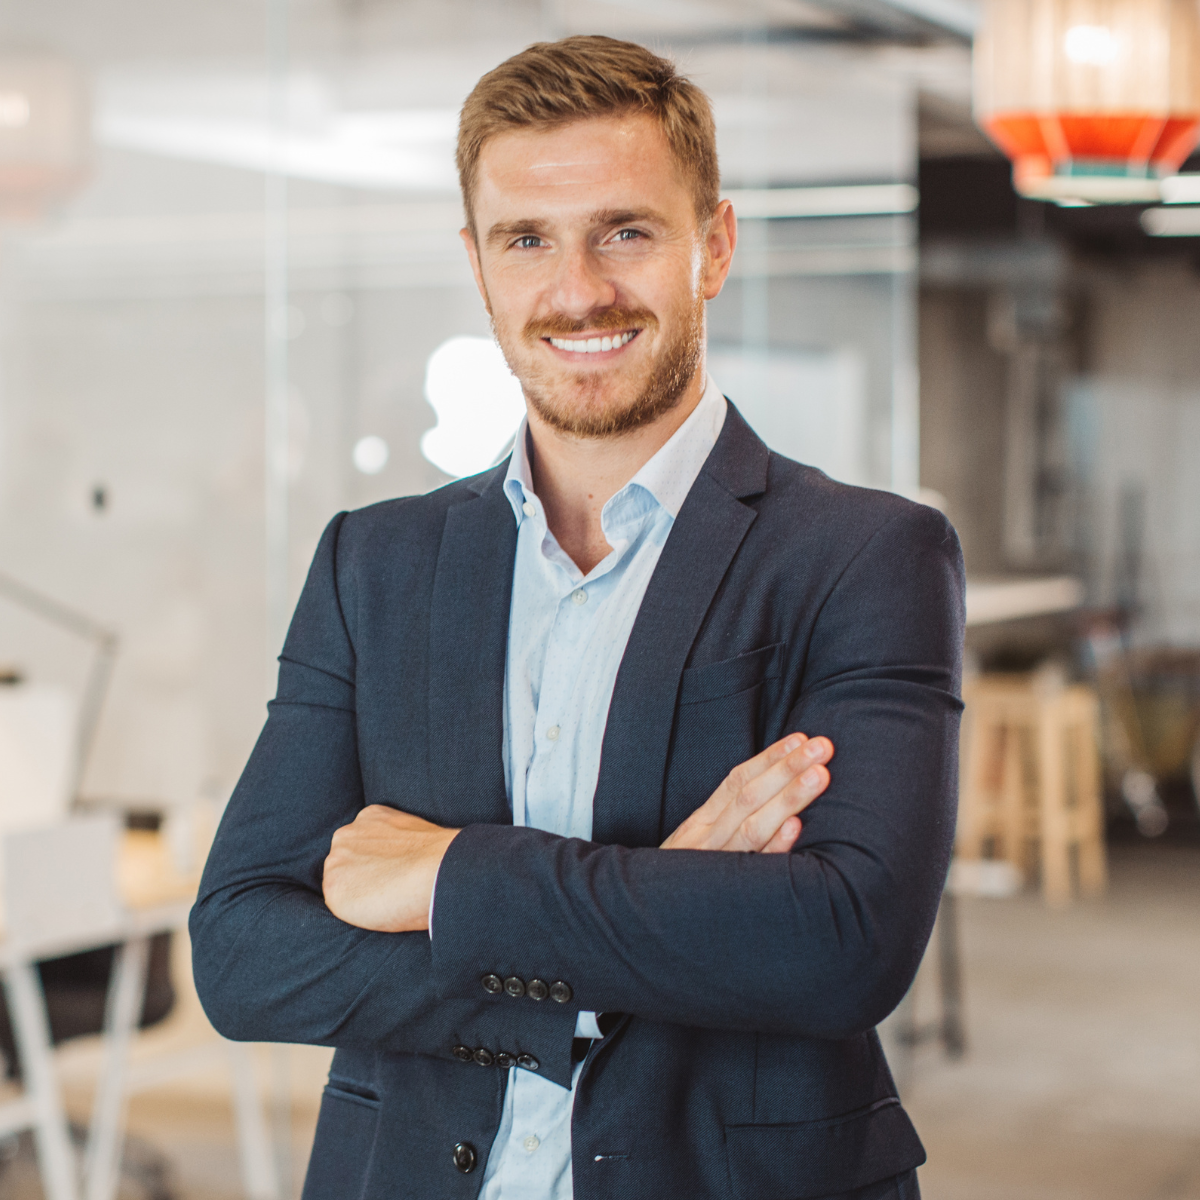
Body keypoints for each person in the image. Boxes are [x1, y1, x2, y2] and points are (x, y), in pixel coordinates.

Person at [191, 34, 964, 1200]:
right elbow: (245, 955)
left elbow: (841, 944)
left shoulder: (866, 554)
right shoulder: (376, 562)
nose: (579, 290)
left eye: (627, 231)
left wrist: (447, 879)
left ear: (714, 245)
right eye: (528, 240)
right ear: (479, 263)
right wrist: (659, 904)